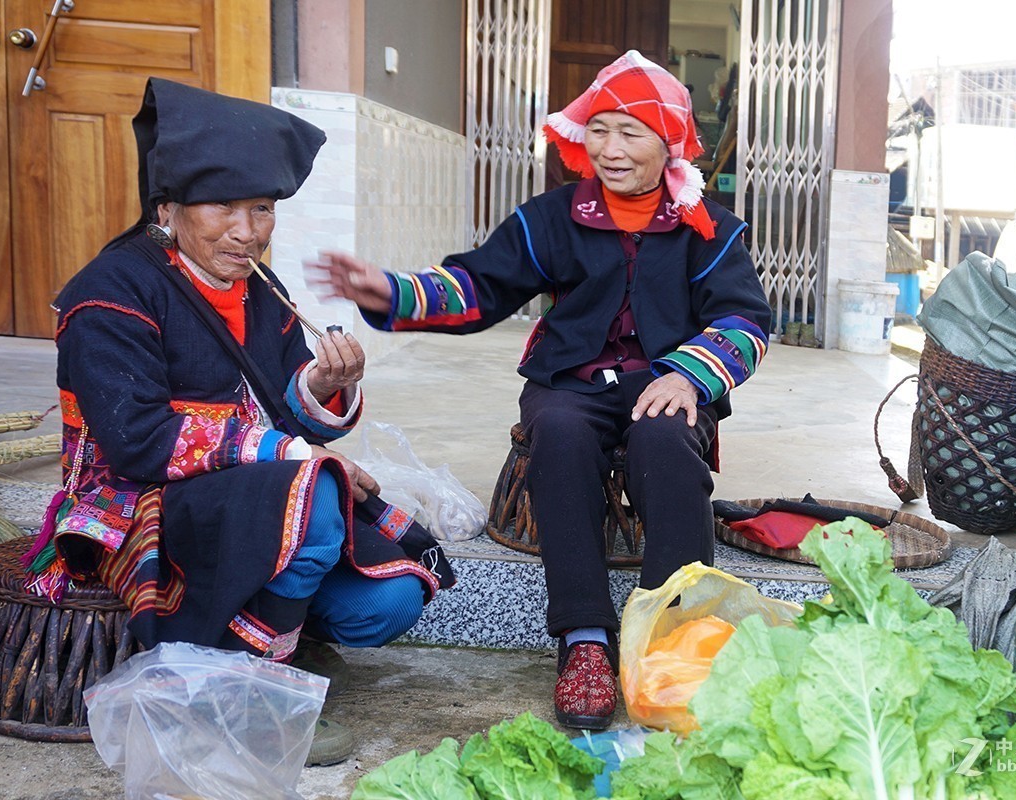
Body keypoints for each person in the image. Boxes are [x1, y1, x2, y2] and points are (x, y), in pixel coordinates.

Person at [308, 50, 771, 730]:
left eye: (629, 133)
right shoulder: (553, 215)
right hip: (570, 381)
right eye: (599, 129)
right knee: (556, 429)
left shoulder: (709, 227)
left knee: (667, 441)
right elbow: (479, 285)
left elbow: (745, 318)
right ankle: (583, 639)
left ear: (668, 141)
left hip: (666, 384)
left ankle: (674, 641)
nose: (609, 149)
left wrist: (690, 373)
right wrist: (395, 290)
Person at [34, 78, 453, 766]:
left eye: (261, 208)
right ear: (167, 208)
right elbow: (136, 439)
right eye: (223, 207)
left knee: (390, 600)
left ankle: (271, 629)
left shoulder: (262, 288)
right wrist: (295, 453)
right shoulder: (111, 292)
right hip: (141, 502)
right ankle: (247, 689)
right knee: (314, 492)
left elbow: (289, 410)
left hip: (241, 501)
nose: (247, 230)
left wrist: (322, 384)